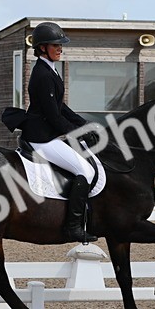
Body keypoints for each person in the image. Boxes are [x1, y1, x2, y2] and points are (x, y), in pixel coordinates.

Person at [18, 21, 93, 241]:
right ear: (42, 48)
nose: (60, 49)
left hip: (47, 135)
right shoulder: (42, 74)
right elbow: (53, 116)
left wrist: (83, 124)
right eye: (55, 45)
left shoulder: (50, 70)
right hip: (41, 139)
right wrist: (76, 133)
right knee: (85, 172)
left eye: (61, 45)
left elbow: (60, 107)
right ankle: (73, 227)